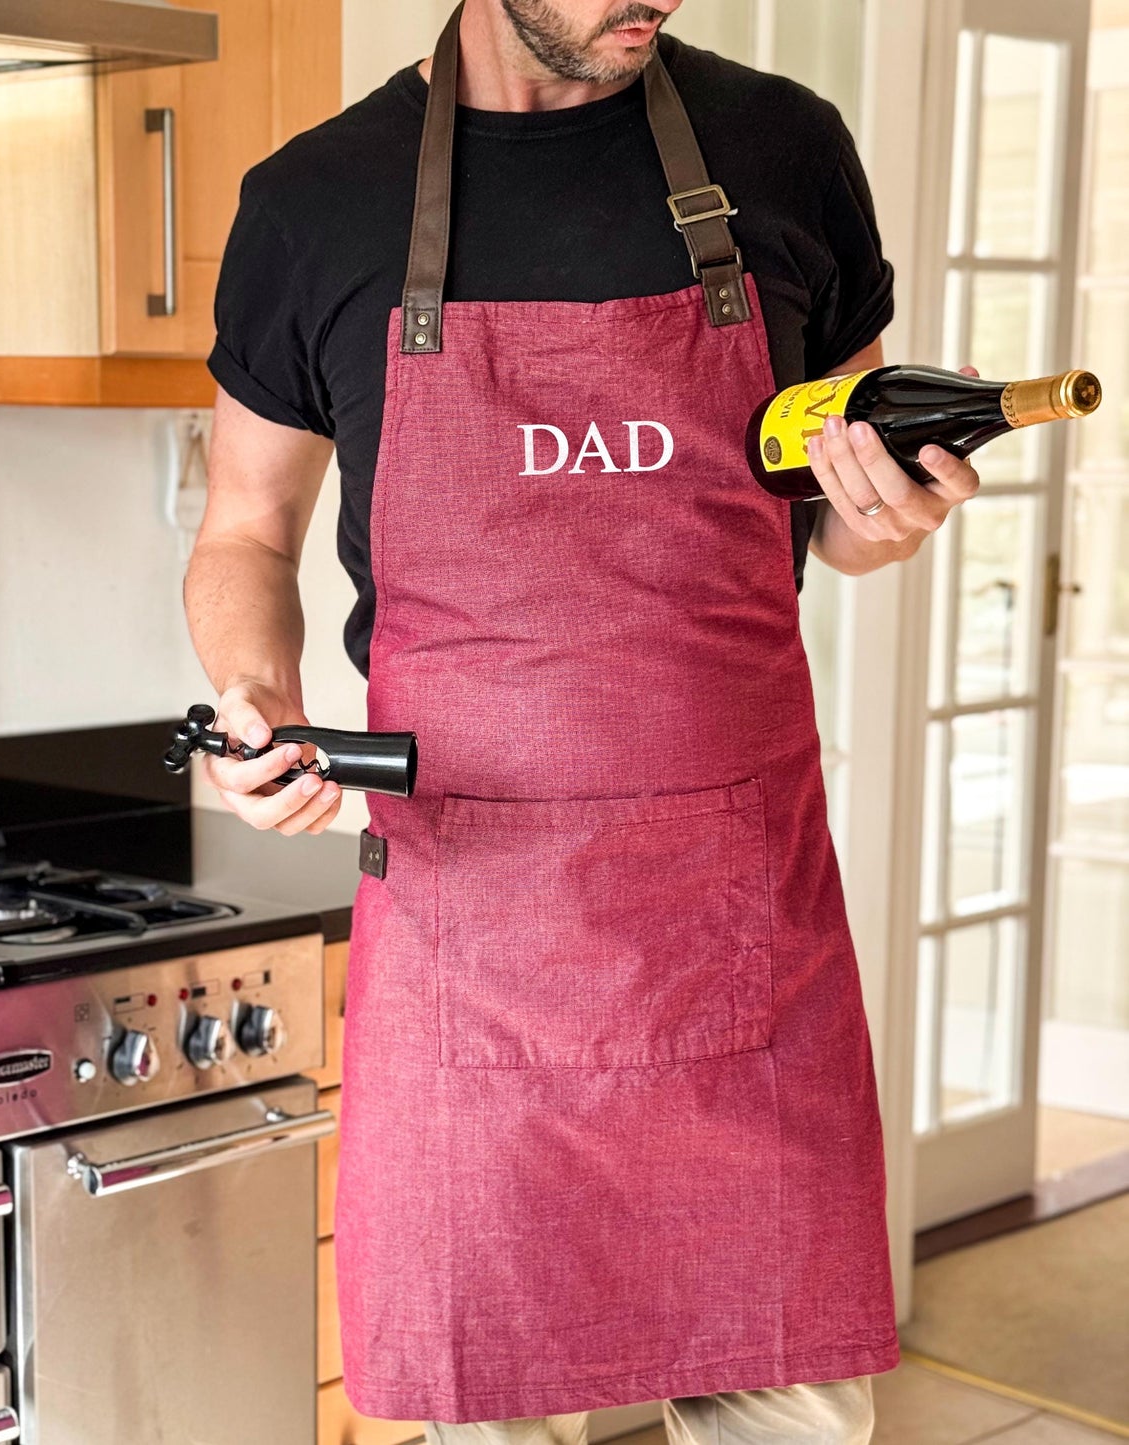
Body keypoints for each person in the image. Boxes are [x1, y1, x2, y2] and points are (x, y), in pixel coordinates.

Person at [184, 3, 983, 1441]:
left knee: (793, 1410)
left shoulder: (785, 150)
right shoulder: (317, 199)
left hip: (737, 926)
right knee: (487, 1400)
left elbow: (834, 513)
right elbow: (244, 529)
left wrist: (888, 518)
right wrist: (260, 697)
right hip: (468, 934)